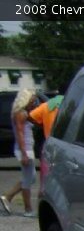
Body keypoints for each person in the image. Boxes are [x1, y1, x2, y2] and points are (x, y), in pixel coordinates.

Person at [1, 88, 39, 217]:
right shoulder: (21, 113)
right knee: (28, 179)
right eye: (32, 100)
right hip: (25, 149)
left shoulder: (22, 112)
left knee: (30, 177)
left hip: (27, 148)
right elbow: (20, 134)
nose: (34, 102)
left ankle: (8, 196)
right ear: (26, 99)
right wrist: (24, 153)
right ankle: (28, 209)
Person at [27, 94, 63, 201]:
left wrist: (42, 123)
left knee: (45, 178)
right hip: (63, 147)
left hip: (49, 145)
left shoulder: (46, 105)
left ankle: (42, 202)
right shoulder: (69, 104)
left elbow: (30, 117)